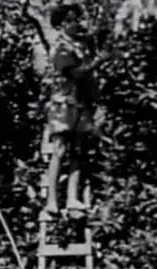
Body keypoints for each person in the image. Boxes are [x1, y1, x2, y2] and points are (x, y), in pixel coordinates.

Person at [44, 2, 110, 215]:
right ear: (61, 24)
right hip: (63, 104)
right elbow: (77, 73)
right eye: (71, 20)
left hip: (81, 104)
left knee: (78, 152)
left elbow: (98, 34)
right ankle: (52, 200)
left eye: (76, 19)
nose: (76, 24)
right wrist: (99, 61)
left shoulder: (80, 45)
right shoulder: (61, 48)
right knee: (59, 150)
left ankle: (73, 198)